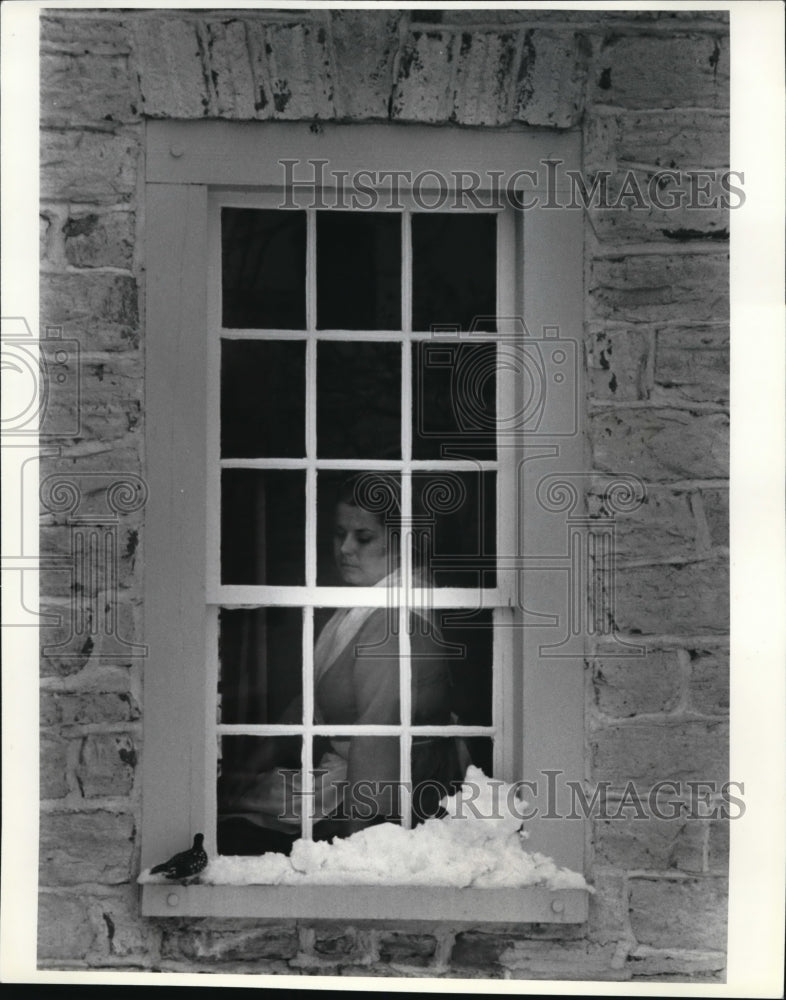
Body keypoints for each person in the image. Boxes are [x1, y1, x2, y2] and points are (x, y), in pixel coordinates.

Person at [217, 474, 468, 855]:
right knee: (226, 812)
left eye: (363, 537)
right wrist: (249, 768)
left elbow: (379, 740)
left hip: (393, 793)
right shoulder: (363, 605)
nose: (345, 548)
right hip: (346, 779)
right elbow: (308, 704)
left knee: (234, 836)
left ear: (403, 543)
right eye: (339, 534)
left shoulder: (395, 623)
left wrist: (354, 849)